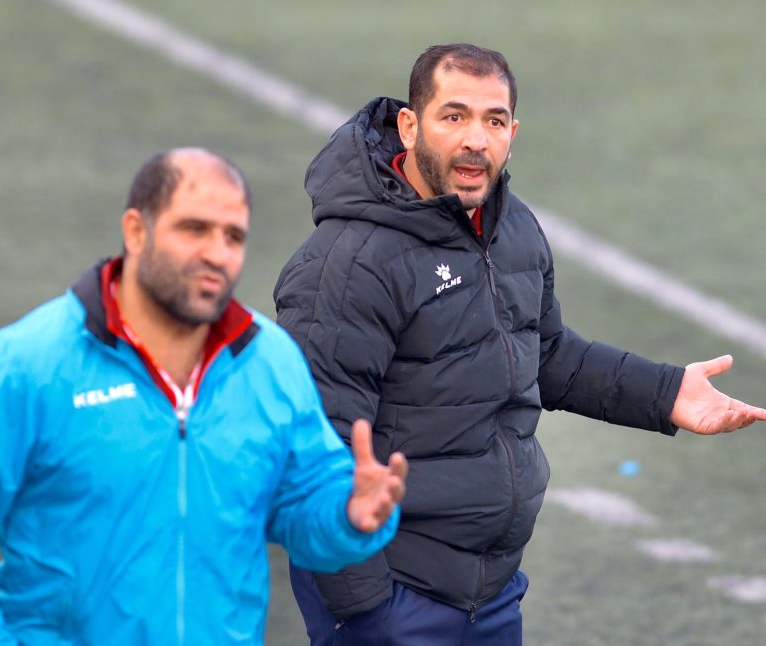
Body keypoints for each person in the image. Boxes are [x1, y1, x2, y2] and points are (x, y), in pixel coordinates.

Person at [273, 44, 766, 645]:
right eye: (454, 116)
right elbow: (312, 443)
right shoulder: (351, 264)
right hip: (395, 596)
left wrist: (665, 393)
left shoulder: (512, 229)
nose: (475, 140)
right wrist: (369, 610)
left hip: (489, 594)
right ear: (409, 126)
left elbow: (545, 353)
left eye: (494, 120)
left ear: (513, 132)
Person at [0, 147, 408, 645]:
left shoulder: (269, 363)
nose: (217, 253)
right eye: (194, 229)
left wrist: (349, 515)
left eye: (233, 236)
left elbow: (303, 506)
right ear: (136, 231)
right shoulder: (29, 365)